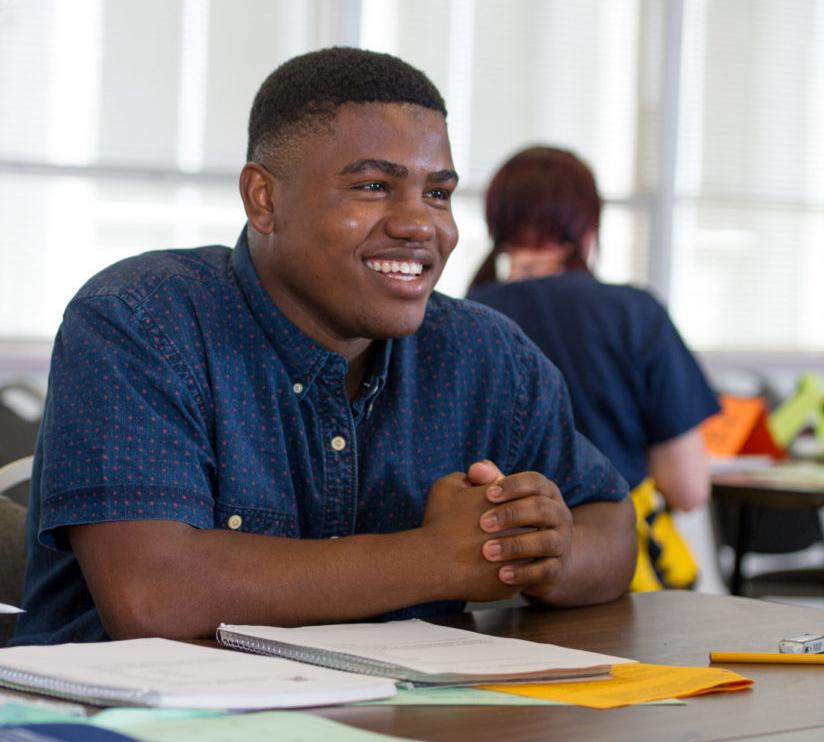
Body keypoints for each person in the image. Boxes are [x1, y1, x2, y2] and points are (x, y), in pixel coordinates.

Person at [13, 51, 635, 646]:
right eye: (372, 186)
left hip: (406, 717)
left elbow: (609, 522)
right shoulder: (141, 320)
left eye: (438, 193)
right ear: (264, 198)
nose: (420, 224)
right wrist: (438, 558)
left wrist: (542, 552)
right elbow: (153, 595)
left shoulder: (486, 353)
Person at [467, 146, 719, 591]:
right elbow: (688, 488)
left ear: (497, 222)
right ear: (586, 223)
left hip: (493, 575)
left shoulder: (460, 318)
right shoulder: (633, 313)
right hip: (617, 576)